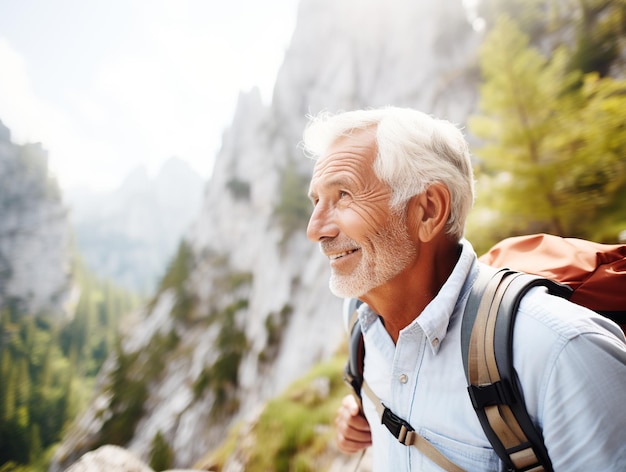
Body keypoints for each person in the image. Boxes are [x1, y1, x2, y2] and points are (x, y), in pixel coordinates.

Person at [302, 106, 626, 471]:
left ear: (428, 210)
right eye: (317, 201)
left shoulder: (562, 352)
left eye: (343, 195)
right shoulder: (361, 327)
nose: (315, 229)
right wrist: (368, 408)